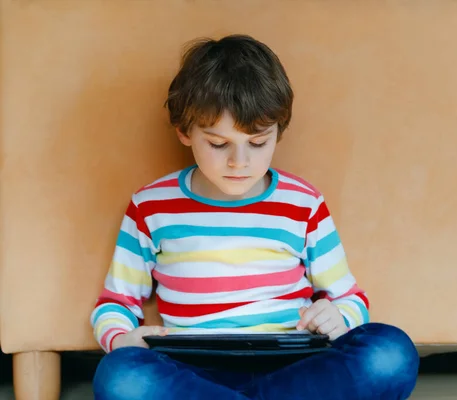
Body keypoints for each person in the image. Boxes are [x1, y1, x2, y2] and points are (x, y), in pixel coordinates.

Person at [91, 34, 419, 400]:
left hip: (295, 366)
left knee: (390, 352)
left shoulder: (303, 202)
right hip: (193, 370)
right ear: (184, 131)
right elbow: (115, 304)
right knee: (120, 376)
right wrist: (121, 339)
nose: (239, 162)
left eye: (258, 142)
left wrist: (338, 316)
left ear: (279, 131)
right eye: (219, 144)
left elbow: (350, 298)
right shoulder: (150, 206)